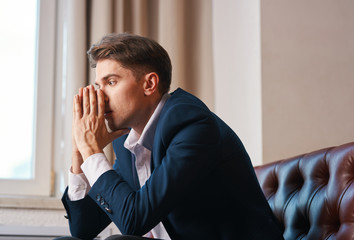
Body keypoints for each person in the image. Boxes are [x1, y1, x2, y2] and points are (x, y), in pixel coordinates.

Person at [61, 33, 283, 240]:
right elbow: (84, 229)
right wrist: (79, 151)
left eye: (111, 82)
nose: (100, 96)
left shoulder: (193, 126)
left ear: (149, 84)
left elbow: (134, 220)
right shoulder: (127, 141)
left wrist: (92, 149)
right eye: (99, 85)